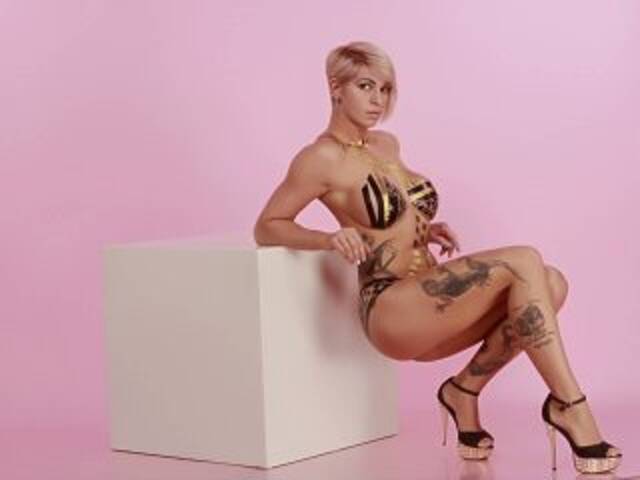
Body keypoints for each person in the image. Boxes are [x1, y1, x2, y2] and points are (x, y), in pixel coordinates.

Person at [253, 41, 622, 474]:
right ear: (336, 87)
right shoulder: (320, 158)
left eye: (385, 89)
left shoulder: (386, 144)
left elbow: (393, 217)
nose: (378, 100)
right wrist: (329, 238)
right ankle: (570, 406)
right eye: (365, 86)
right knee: (525, 260)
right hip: (391, 309)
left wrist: (426, 229)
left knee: (551, 281)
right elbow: (268, 225)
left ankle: (463, 391)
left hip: (430, 300)